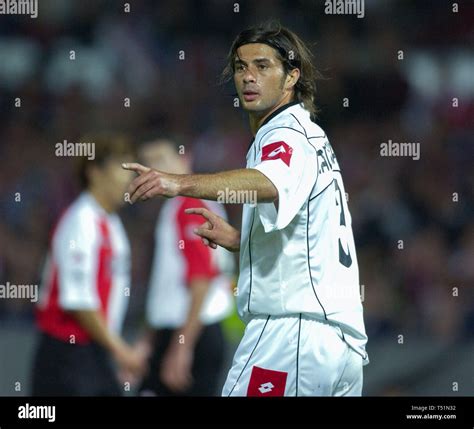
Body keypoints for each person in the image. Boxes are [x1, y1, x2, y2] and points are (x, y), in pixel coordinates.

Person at [122, 22, 369, 396]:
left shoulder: (285, 136)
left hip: (292, 333)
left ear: (292, 78)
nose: (249, 77)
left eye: (263, 66)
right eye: (241, 67)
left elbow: (267, 183)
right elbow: (306, 231)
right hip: (341, 345)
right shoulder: (312, 137)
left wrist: (178, 183)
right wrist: (243, 240)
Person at [32, 133, 147, 396]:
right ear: (95, 172)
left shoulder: (112, 225)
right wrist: (121, 351)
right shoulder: (80, 222)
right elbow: (78, 301)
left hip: (94, 352)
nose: (129, 179)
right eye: (121, 169)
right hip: (67, 355)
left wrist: (112, 349)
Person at [137, 139, 234, 396]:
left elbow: (201, 278)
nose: (153, 170)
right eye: (148, 163)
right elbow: (167, 288)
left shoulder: (187, 207)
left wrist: (182, 347)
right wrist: (150, 339)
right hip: (182, 330)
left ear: (185, 158)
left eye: (161, 160)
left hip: (191, 332)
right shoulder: (185, 205)